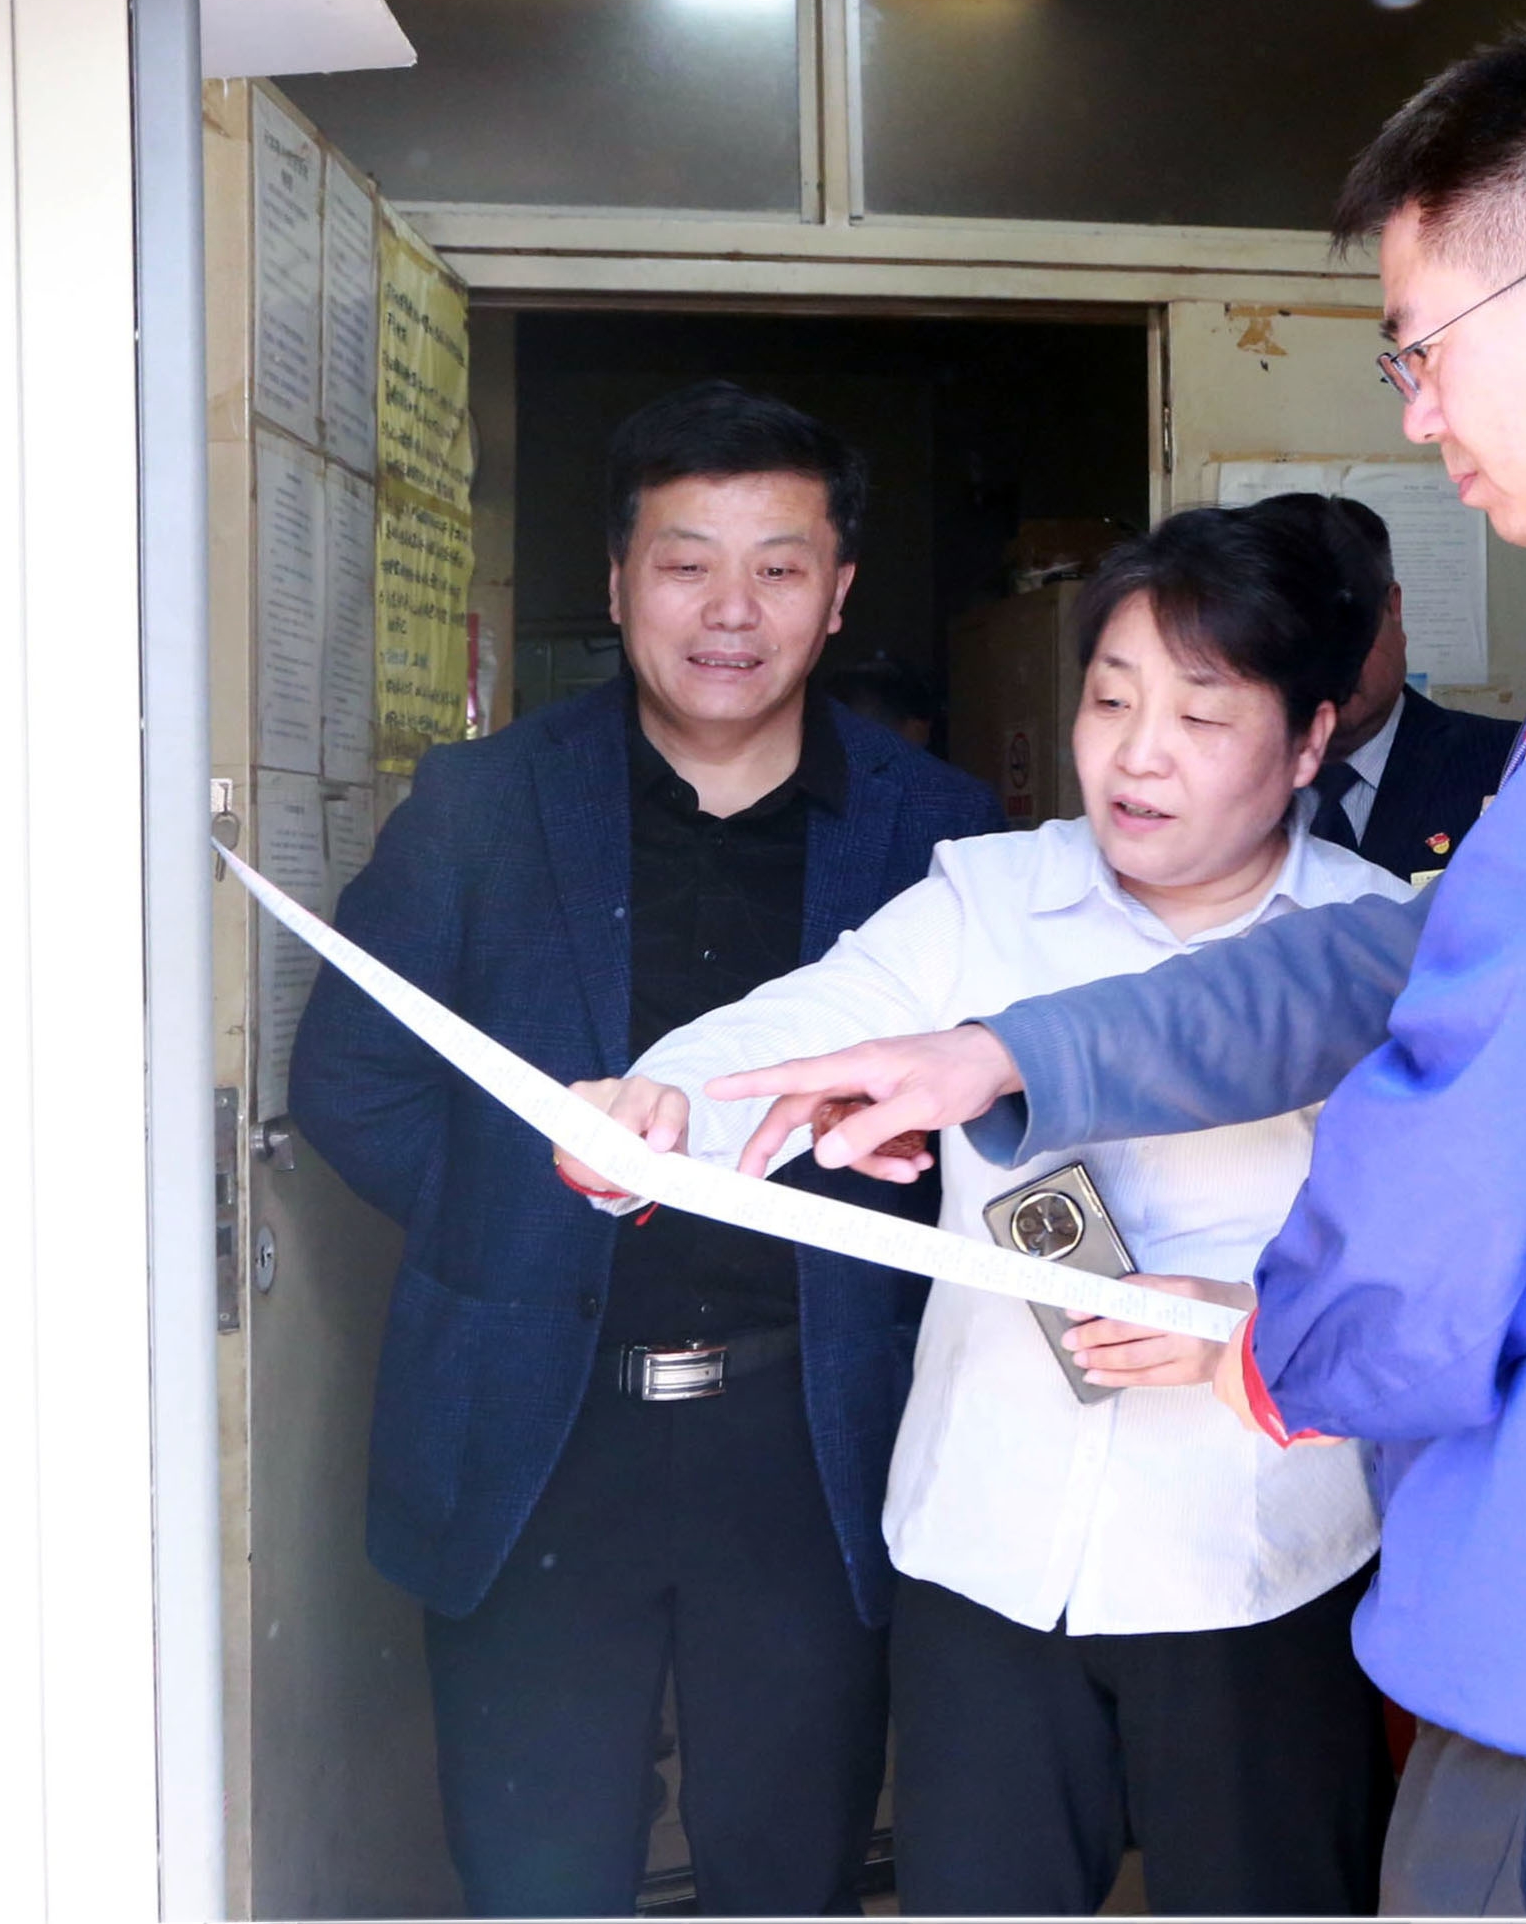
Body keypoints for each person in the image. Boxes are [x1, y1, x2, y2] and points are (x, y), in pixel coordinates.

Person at [692, 20, 1526, 1916]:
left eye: (1420, 348)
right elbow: (1445, 953)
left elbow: (1502, 1114)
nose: (1416, 416)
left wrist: (1277, 1341)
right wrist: (1005, 1052)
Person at [569, 503, 1412, 1917]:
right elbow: (814, 1018)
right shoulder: (987, 896)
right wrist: (663, 1103)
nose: (1138, 754)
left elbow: (1433, 1254)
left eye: (1203, 715)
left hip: (1257, 1563)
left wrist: (1261, 1323)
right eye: (1111, 699)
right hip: (987, 1553)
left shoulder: (1375, 945)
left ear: (1310, 741)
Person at [288, 382, 998, 1917]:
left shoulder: (938, 828)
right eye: (686, 563)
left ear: (838, 591)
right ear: (618, 582)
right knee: (536, 1875)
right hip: (537, 1434)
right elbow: (353, 1075)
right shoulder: (481, 803)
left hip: (811, 1437)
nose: (731, 610)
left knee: (789, 1871)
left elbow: (989, 1129)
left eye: (779, 565)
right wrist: (525, 1225)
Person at [1243, 490, 1515, 876]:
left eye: (1349, 628)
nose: (1331, 659)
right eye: (1299, 634)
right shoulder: (1213, 783)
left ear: (1393, 608)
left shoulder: (1509, 766)